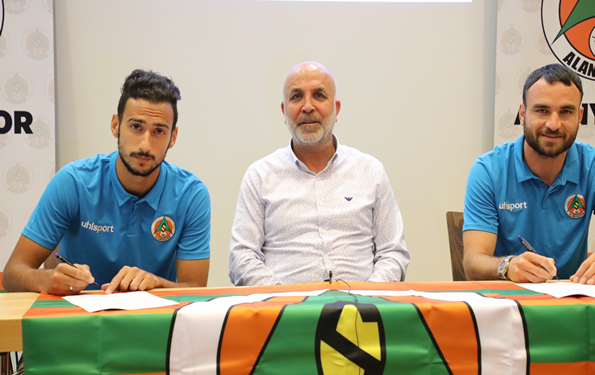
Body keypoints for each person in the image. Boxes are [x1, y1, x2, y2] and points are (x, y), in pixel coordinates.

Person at [2, 69, 211, 295]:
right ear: (115, 125)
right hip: (76, 314)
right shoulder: (73, 182)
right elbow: (12, 274)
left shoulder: (191, 195)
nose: (145, 145)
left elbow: (195, 288)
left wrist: (156, 282)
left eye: (158, 131)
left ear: (173, 137)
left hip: (155, 315)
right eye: (136, 127)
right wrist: (47, 279)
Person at [229, 61, 409, 286]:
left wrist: (368, 297)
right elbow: (241, 258)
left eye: (319, 95)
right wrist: (284, 299)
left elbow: (393, 252)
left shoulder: (370, 171)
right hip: (284, 305)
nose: (307, 107)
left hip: (361, 304)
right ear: (284, 111)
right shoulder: (260, 176)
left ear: (336, 109)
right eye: (296, 97)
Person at [463, 63, 595, 285]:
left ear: (579, 116)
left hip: (575, 299)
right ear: (522, 114)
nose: (553, 124)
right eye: (542, 110)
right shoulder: (488, 170)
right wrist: (507, 266)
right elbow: (472, 264)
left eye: (566, 112)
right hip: (509, 299)